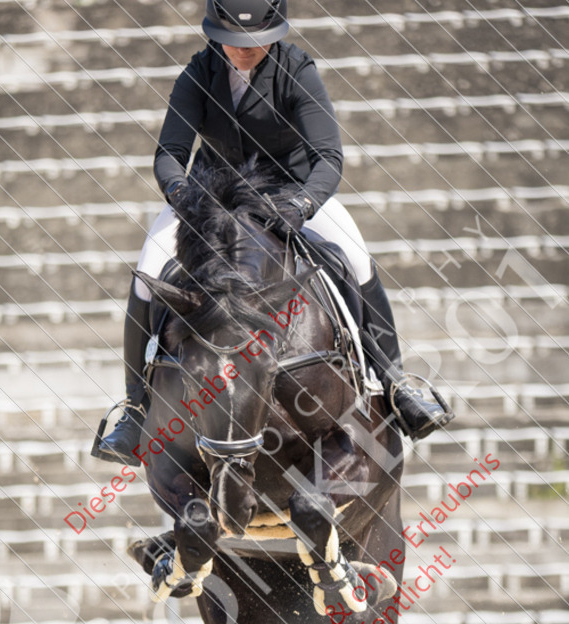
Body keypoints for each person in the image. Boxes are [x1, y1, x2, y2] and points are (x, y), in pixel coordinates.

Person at [99, 0, 453, 464]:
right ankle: (133, 406)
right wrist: (184, 196)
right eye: (235, 42)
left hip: (287, 195)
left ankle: (395, 382)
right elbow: (170, 152)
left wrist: (302, 203)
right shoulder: (199, 72)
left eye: (257, 42)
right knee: (148, 268)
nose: (245, 51)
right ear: (215, 31)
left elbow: (328, 157)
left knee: (354, 255)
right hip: (213, 199)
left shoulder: (297, 70)